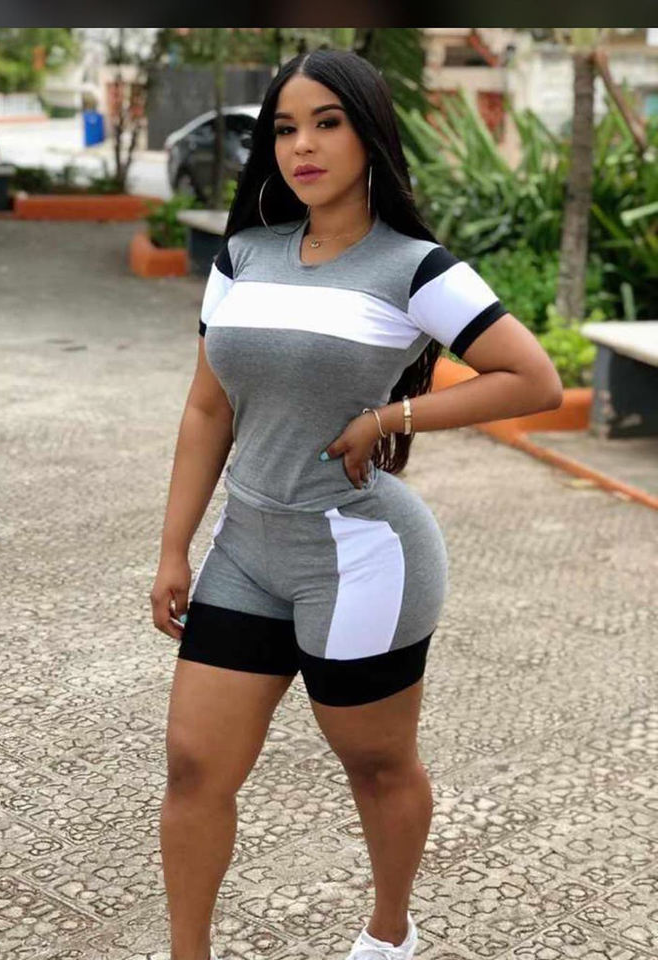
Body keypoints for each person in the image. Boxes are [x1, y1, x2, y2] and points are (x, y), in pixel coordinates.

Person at [151, 49, 562, 960]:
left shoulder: (414, 268)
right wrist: (175, 548)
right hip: (246, 549)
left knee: (374, 762)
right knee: (193, 765)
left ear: (369, 134)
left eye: (327, 123)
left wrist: (391, 416)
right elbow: (208, 408)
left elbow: (532, 378)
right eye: (284, 128)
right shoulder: (245, 255)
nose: (302, 145)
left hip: (360, 556)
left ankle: (388, 936)